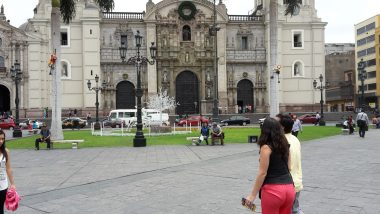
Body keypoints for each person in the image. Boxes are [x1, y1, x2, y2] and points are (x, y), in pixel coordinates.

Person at [245, 117, 295, 213]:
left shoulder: (266, 148)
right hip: (289, 188)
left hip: (273, 190)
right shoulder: (286, 145)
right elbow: (289, 167)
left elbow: (262, 173)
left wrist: (252, 195)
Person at [280, 115, 303, 214]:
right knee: (295, 209)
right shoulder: (295, 139)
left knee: (289, 210)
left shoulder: (282, 141)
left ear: (282, 127)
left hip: (287, 183)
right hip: (297, 180)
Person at [0, 130, 16, 213]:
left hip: (3, 185)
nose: (1, 141)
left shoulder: (6, 151)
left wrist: (12, 184)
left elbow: (8, 168)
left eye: (3, 139)